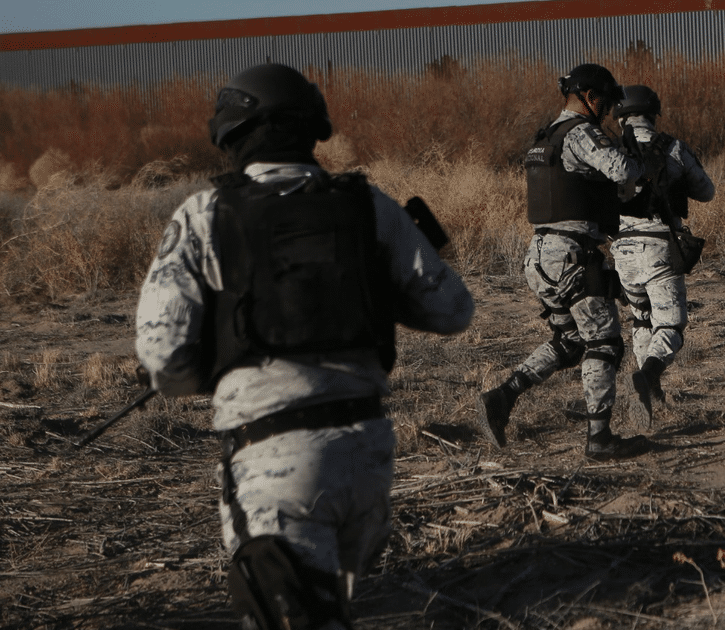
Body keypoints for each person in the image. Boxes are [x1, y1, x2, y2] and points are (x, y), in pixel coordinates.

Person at [135, 63, 474, 630]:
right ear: (311, 127)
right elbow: (452, 310)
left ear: (234, 132)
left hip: (276, 464)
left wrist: (217, 363)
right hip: (369, 457)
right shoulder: (369, 205)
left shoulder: (205, 214)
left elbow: (163, 355)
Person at [475, 63, 661, 460]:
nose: (610, 110)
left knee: (570, 341)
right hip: (572, 257)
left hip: (540, 256)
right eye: (607, 102)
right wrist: (641, 160)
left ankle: (502, 397)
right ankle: (599, 439)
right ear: (590, 98)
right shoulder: (581, 132)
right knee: (605, 344)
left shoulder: (547, 137)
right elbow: (622, 169)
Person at [610, 85, 715, 428]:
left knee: (641, 321)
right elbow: (707, 191)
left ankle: (648, 397)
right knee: (670, 325)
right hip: (660, 246)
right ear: (653, 113)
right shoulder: (672, 147)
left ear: (621, 114)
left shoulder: (608, 151)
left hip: (622, 251)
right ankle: (648, 376)